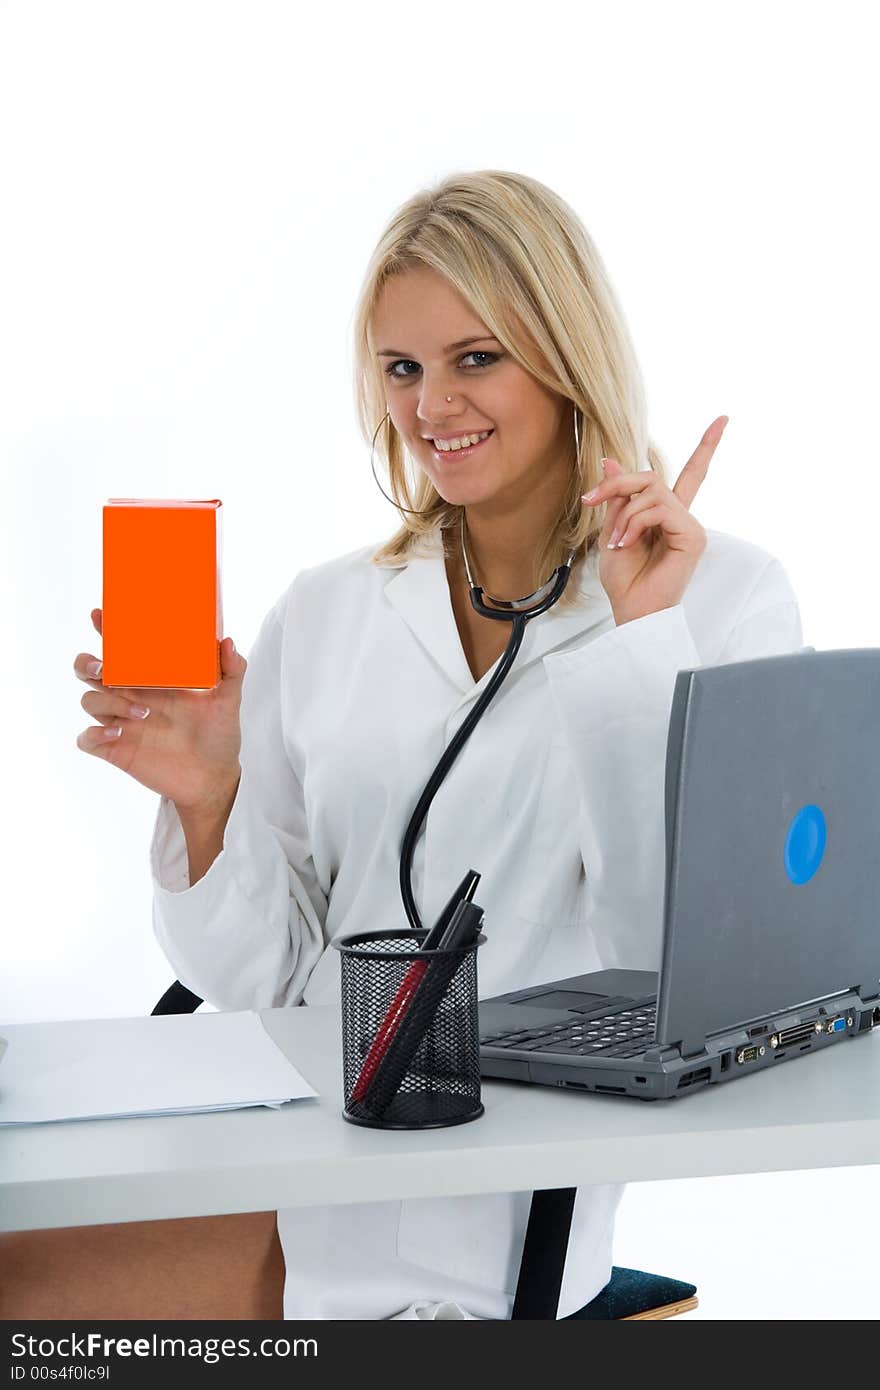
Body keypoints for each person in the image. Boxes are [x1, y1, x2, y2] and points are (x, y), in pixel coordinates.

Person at [5, 169, 804, 1320]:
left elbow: (675, 964)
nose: (432, 404)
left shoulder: (720, 598)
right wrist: (207, 801)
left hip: (500, 1207)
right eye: (401, 367)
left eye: (474, 357)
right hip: (297, 1159)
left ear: (564, 352)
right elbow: (267, 982)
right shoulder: (328, 610)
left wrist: (640, 638)